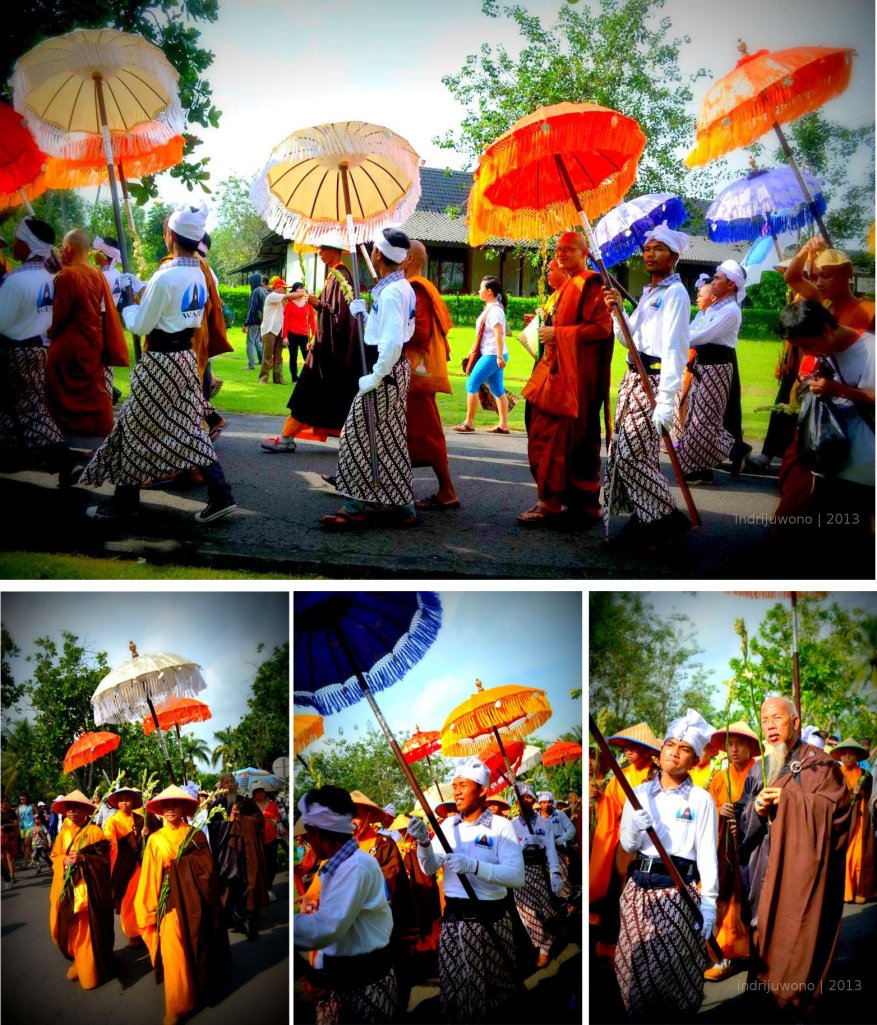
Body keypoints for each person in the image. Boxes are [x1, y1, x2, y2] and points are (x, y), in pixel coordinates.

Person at [80, 202, 237, 524]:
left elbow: (139, 325)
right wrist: (140, 289)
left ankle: (126, 501)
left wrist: (126, 301)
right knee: (188, 427)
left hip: (160, 360)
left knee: (135, 426)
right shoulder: (200, 272)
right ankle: (219, 493)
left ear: (170, 234)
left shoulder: (165, 276)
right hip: (184, 358)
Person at [738, 696, 851, 1014]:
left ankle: (797, 1002)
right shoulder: (760, 767)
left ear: (796, 721)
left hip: (804, 872)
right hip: (765, 866)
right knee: (763, 932)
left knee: (800, 934)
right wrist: (756, 809)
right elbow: (744, 815)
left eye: (777, 718)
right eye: (764, 720)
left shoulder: (821, 764)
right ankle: (765, 996)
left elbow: (838, 814)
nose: (770, 725)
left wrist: (789, 801)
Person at [615, 710, 718, 1024]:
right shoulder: (639, 795)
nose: (675, 751)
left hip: (676, 892)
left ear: (695, 760)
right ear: (660, 751)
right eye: (671, 744)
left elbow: (707, 856)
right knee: (631, 968)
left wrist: (710, 903)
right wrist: (633, 826)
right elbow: (627, 848)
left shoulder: (701, 800)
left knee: (669, 970)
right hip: (637, 892)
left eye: (684, 748)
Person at [407, 757, 526, 1024]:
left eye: (463, 784)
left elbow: (517, 877)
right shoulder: (448, 827)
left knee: (498, 991)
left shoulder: (500, 826)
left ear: (482, 789)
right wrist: (424, 843)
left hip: (492, 921)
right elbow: (428, 868)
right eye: (454, 785)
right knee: (457, 992)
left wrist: (473, 865)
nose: (456, 790)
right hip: (454, 921)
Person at [602, 223, 692, 551]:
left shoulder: (676, 294)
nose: (649, 254)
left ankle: (667, 520)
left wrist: (667, 401)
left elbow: (674, 350)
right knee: (632, 454)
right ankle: (646, 522)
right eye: (646, 249)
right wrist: (617, 312)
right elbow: (629, 341)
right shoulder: (650, 292)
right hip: (632, 380)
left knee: (630, 455)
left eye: (657, 248)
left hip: (654, 383)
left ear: (674, 255)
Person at [321, 227, 418, 531]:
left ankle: (354, 507)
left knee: (355, 437)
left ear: (377, 254)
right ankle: (403, 506)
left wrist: (375, 377)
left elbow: (390, 344)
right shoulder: (399, 287)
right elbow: (385, 332)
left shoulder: (392, 293)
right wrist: (364, 315)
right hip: (393, 370)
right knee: (387, 438)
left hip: (385, 372)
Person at [519, 231, 613, 527]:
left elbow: (602, 329)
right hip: (555, 371)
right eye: (558, 249)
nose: (561, 254)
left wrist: (557, 334)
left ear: (584, 252)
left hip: (576, 379)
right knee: (550, 435)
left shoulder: (590, 283)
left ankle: (556, 502)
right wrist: (545, 325)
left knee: (567, 439)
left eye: (568, 249)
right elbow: (565, 323)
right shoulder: (567, 286)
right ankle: (573, 502)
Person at [772, 300, 874, 555]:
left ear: (827, 330)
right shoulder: (825, 353)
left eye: (807, 345)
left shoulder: (870, 350)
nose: (807, 353)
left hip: (862, 467)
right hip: (829, 462)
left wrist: (840, 390)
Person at [294, 785, 400, 1024]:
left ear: (317, 831)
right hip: (340, 978)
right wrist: (317, 972)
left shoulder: (358, 865)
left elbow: (327, 927)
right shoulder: (337, 864)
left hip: (364, 983)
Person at [135, 784, 230, 1025]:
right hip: (170, 903)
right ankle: (177, 1004)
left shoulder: (195, 835)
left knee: (197, 945)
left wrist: (181, 867)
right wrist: (148, 909)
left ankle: (199, 987)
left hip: (194, 901)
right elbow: (149, 877)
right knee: (174, 951)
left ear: (184, 807)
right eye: (165, 805)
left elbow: (208, 868)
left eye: (175, 804)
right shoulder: (156, 840)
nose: (170, 810)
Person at [0, 217, 83, 483]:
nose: (13, 245)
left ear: (27, 245)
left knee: (31, 410)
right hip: (37, 347)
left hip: (15, 351)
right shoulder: (50, 277)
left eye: (17, 240)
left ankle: (65, 460)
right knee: (18, 407)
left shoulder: (15, 282)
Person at [260, 240, 360, 453]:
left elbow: (340, 316)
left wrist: (318, 304)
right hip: (327, 347)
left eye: (323, 249)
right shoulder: (335, 275)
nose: (320, 253)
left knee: (307, 392)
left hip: (328, 349)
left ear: (335, 250)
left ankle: (287, 438)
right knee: (332, 395)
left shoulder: (340, 276)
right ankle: (352, 442)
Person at [44, 228, 129, 449]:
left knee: (60, 397)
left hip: (70, 344)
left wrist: (50, 335)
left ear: (68, 249)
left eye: (62, 249)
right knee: (94, 393)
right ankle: (101, 437)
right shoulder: (96, 273)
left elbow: (59, 316)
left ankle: (63, 444)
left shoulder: (67, 275)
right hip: (94, 342)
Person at [589, 722, 660, 958]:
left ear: (649, 750)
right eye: (625, 747)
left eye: (634, 747)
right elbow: (610, 808)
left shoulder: (658, 775)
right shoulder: (620, 775)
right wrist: (599, 799)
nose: (628, 751)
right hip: (624, 843)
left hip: (650, 844)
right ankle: (612, 945)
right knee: (617, 889)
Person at [673, 261, 744, 484]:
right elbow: (696, 330)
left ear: (731, 284)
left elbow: (702, 335)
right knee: (697, 417)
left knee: (704, 422)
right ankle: (702, 469)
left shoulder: (731, 311)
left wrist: (674, 336)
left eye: (718, 279)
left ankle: (732, 448)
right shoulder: (714, 309)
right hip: (704, 367)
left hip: (717, 368)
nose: (713, 282)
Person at [403, 239, 459, 509]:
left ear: (409, 259)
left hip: (416, 372)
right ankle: (363, 478)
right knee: (409, 430)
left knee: (427, 432)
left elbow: (420, 332)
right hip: (416, 372)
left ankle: (447, 491)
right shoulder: (422, 287)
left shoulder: (416, 288)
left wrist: (389, 333)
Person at [703, 721, 759, 981]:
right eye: (730, 744)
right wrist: (719, 811)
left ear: (751, 747)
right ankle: (726, 954)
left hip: (753, 847)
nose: (734, 749)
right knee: (725, 898)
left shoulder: (761, 774)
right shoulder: (718, 778)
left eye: (739, 744)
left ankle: (752, 951)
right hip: (725, 849)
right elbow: (708, 813)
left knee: (751, 899)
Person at [48, 789, 114, 989]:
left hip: (88, 893)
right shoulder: (63, 834)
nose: (72, 812)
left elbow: (104, 861)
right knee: (69, 929)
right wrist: (64, 861)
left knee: (88, 931)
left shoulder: (94, 832)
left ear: (86, 810)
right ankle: (79, 961)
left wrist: (85, 858)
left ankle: (89, 969)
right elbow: (55, 857)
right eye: (69, 808)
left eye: (77, 807)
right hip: (67, 890)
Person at [510, 781, 563, 968]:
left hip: (540, 871)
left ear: (534, 800)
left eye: (528, 797)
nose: (525, 800)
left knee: (547, 911)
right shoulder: (511, 826)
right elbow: (507, 853)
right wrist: (521, 846)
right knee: (528, 913)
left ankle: (551, 935)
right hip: (520, 872)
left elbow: (551, 849)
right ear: (516, 802)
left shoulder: (544, 823)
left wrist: (555, 873)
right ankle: (544, 947)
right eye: (521, 797)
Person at [454, 276, 510, 434]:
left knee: (472, 384)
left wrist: (499, 357)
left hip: (493, 355)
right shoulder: (491, 308)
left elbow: (498, 334)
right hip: (493, 354)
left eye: (481, 288)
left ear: (489, 291)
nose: (478, 291)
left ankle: (469, 423)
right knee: (498, 389)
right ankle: (503, 425)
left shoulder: (495, 311)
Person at [830, 738, 875, 903]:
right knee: (844, 855)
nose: (847, 757)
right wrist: (850, 792)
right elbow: (832, 796)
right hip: (842, 820)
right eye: (844, 754)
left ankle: (860, 889)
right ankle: (845, 891)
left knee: (859, 856)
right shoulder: (835, 774)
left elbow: (872, 796)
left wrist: (861, 792)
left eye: (851, 754)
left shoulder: (865, 775)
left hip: (861, 820)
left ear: (857, 757)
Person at [103, 786, 145, 945]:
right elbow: (110, 839)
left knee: (142, 897)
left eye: (127, 799)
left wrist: (144, 834)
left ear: (133, 801)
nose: (124, 803)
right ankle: (132, 932)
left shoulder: (141, 818)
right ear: (117, 803)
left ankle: (144, 927)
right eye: (121, 800)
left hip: (140, 863)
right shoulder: (112, 821)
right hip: (124, 864)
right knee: (128, 899)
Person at [259, 276, 291, 384]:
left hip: (278, 330)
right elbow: (289, 296)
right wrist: (302, 294)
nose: (286, 290)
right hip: (269, 330)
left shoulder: (282, 300)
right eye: (284, 288)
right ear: (277, 287)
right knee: (267, 355)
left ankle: (278, 379)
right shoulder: (272, 296)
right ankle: (263, 379)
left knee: (278, 356)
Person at [251, 784, 281, 900]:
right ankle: (261, 889)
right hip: (256, 840)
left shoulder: (273, 805)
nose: (260, 794)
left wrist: (274, 822)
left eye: (261, 791)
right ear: (253, 794)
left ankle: (268, 887)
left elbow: (277, 819)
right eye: (257, 792)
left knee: (272, 864)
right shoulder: (251, 805)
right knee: (259, 865)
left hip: (271, 838)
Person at [283, 279, 316, 381]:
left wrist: (314, 335)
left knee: (307, 356)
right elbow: (286, 321)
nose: (302, 291)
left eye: (303, 289)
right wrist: (285, 337)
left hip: (304, 334)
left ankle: (308, 376)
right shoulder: (289, 304)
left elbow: (312, 321)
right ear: (294, 292)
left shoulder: (308, 304)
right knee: (293, 356)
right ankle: (294, 377)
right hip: (292, 334)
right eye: (299, 289)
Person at [243, 271, 266, 370]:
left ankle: (251, 365)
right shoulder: (263, 290)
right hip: (262, 320)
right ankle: (262, 360)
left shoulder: (256, 291)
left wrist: (246, 323)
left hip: (254, 321)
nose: (249, 284)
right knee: (257, 341)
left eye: (250, 281)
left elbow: (252, 308)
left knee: (250, 343)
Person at [1, 796, 18, 888]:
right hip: (0, 836)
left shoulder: (11, 812)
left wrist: (7, 825)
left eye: (6, 802)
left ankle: (12, 876)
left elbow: (16, 823)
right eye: (2, 802)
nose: (4, 803)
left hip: (10, 836)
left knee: (9, 857)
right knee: (2, 858)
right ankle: (5, 874)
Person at [17, 793, 34, 867]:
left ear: (27, 798)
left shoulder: (31, 806)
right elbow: (16, 817)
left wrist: (32, 818)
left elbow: (37, 814)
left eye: (23, 798)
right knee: (27, 846)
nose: (22, 800)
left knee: (26, 844)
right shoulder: (19, 807)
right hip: (22, 828)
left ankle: (25, 862)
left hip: (30, 826)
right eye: (20, 799)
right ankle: (34, 859)